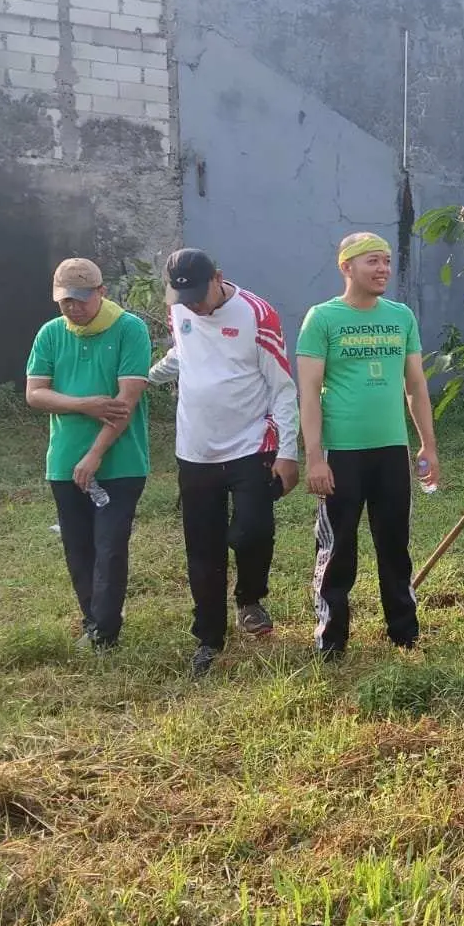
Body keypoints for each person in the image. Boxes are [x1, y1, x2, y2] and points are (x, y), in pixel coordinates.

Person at [148, 248, 301, 677]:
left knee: (253, 530)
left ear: (219, 277)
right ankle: (208, 638)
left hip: (251, 445)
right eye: (185, 299)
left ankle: (249, 598)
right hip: (194, 451)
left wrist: (288, 452)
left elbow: (282, 386)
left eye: (200, 294)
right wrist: (148, 377)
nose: (195, 306)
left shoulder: (257, 313)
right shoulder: (182, 308)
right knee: (203, 548)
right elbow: (184, 355)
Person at [297, 233, 439, 661]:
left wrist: (427, 444)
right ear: (347, 267)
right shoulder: (322, 318)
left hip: (391, 450)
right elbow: (308, 391)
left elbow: (415, 385)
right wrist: (315, 457)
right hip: (342, 453)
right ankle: (331, 639)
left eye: (387, 262)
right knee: (337, 547)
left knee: (395, 543)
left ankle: (404, 633)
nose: (382, 270)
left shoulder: (400, 317)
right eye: (372, 262)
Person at [24, 258, 151, 652]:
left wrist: (95, 454)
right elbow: (35, 393)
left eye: (81, 300)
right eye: (65, 302)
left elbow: (124, 402)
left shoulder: (129, 329)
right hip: (63, 461)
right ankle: (93, 619)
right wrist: (84, 405)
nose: (74, 309)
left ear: (101, 293)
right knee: (79, 549)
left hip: (120, 463)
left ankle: (104, 635)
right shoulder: (50, 333)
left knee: (110, 546)